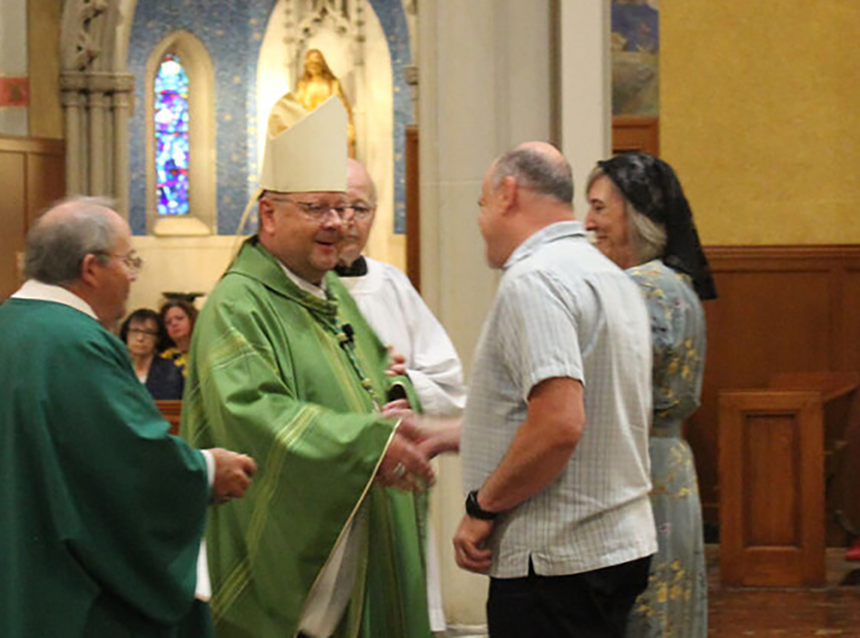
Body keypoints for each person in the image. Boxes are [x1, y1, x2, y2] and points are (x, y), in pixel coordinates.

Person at [0, 197, 256, 637]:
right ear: (91, 269)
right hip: (62, 594)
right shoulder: (73, 341)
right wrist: (205, 471)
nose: (133, 275)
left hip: (16, 562)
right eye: (129, 261)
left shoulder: (14, 322)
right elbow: (124, 463)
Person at [180, 95, 435, 638]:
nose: (338, 224)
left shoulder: (330, 290)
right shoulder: (237, 306)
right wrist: (369, 442)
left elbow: (374, 370)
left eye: (344, 208)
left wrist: (398, 398)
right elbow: (251, 415)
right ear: (269, 214)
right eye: (317, 209)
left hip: (357, 536)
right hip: (292, 562)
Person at [456, 142, 656, 637]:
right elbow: (590, 409)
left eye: (481, 205)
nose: (481, 221)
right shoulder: (610, 276)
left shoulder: (536, 279)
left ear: (507, 194)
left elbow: (560, 425)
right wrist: (447, 433)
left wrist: (482, 508)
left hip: (556, 557)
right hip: (613, 544)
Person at [586, 152, 716, 638]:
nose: (588, 222)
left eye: (599, 208)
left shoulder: (641, 287)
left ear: (636, 214)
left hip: (637, 474)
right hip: (666, 466)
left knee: (644, 616)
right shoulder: (673, 281)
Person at [334, 158, 467, 633]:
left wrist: (403, 384)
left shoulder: (391, 285)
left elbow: (450, 384)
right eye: (338, 206)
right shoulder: (298, 291)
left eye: (361, 208)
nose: (348, 220)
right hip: (331, 480)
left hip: (394, 484)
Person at [121, 308, 185, 400]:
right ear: (126, 334)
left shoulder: (172, 372)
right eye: (135, 331)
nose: (140, 338)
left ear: (157, 338)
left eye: (148, 333)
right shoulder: (116, 368)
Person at [158, 298, 197, 370]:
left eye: (179, 318)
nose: (174, 323)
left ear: (192, 320)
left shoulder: (204, 353)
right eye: (168, 322)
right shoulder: (164, 359)